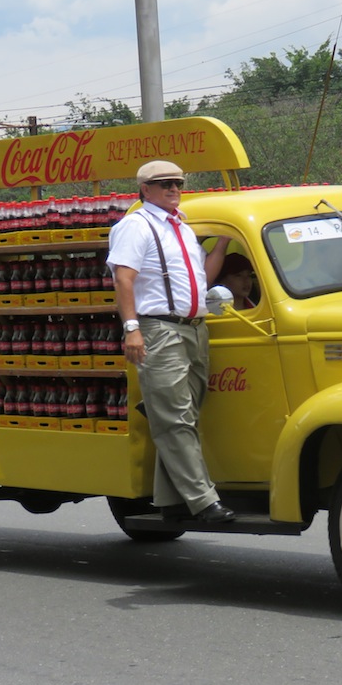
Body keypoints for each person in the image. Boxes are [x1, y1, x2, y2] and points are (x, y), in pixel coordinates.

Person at [106, 160, 235, 523]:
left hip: (194, 327)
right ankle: (204, 501)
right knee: (176, 418)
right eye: (164, 184)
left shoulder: (180, 225)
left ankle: (170, 496)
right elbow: (123, 279)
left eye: (177, 183)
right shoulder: (137, 225)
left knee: (185, 414)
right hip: (159, 328)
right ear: (145, 189)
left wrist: (223, 244)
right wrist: (132, 328)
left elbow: (201, 278)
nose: (173, 189)